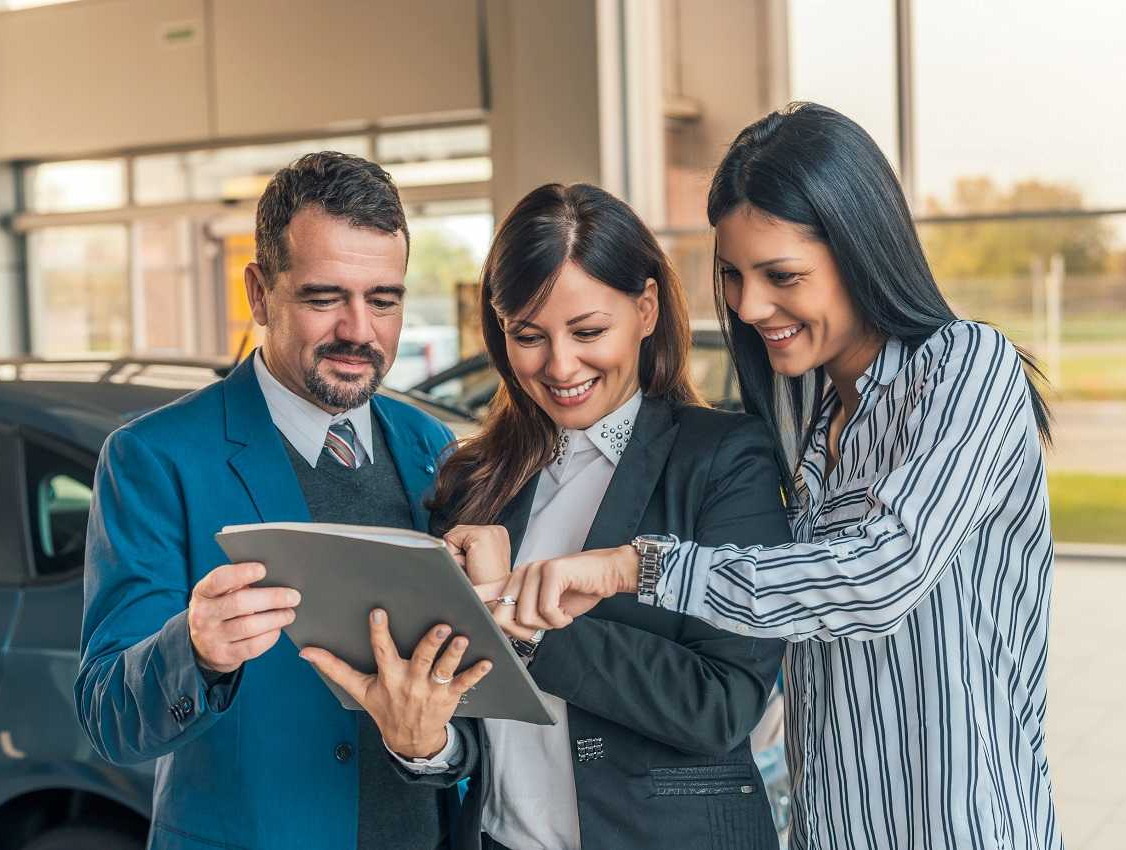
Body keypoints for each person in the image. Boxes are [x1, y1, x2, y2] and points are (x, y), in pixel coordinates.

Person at [463, 104, 1064, 850]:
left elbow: (878, 576)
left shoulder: (966, 366)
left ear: (860, 250)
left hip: (958, 825)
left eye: (781, 275)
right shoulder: (802, 415)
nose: (749, 306)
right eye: (734, 276)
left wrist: (635, 567)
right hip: (832, 828)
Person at [307, 182, 790, 850]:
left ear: (646, 307)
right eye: (528, 336)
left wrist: (521, 622)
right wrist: (425, 743)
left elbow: (722, 705)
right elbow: (471, 727)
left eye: (588, 331)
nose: (561, 366)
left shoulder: (724, 461)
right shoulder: (474, 480)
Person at [75, 151, 487, 850]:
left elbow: (464, 698)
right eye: (325, 298)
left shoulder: (429, 445)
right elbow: (109, 716)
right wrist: (197, 649)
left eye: (383, 299)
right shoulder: (154, 457)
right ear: (260, 293)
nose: (360, 330)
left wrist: (436, 746)